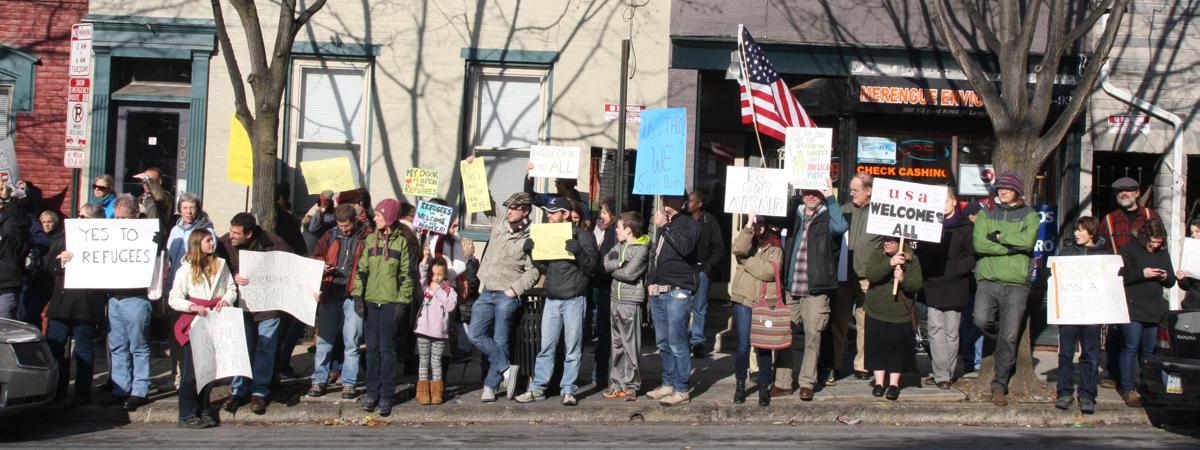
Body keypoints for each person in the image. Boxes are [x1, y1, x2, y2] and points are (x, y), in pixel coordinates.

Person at [467, 155, 540, 403]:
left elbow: (534, 271)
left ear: (525, 211)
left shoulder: (531, 236)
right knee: (475, 334)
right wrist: (474, 170)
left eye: (514, 208)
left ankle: (490, 386)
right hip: (487, 290)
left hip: (507, 293)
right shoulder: (499, 222)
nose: (509, 211)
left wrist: (515, 289)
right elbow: (484, 200)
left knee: (501, 339)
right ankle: (507, 369)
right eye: (508, 207)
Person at [514, 197, 599, 406]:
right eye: (548, 212)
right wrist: (533, 254)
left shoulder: (584, 236)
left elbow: (592, 269)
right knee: (546, 347)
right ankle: (538, 388)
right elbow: (546, 269)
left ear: (566, 214)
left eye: (553, 212)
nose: (548, 215)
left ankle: (568, 390)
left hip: (574, 299)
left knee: (572, 349)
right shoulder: (549, 234)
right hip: (552, 298)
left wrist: (579, 251)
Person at [772, 182, 847, 401]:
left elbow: (841, 227)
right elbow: (772, 217)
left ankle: (807, 383)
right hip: (792, 286)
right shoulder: (794, 213)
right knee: (785, 335)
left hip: (817, 288)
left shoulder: (828, 216)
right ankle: (782, 383)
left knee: (813, 337)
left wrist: (830, 197)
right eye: (807, 192)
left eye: (816, 192)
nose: (811, 196)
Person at [972, 170, 1040, 406]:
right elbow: (980, 244)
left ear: (1017, 191)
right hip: (988, 279)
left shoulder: (1030, 215)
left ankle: (999, 384)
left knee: (1010, 336)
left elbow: (1028, 242)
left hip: (1016, 283)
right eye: (1000, 187)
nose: (1002, 191)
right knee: (981, 320)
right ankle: (1001, 343)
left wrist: (999, 238)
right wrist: (1010, 247)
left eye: (1008, 188)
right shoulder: (986, 212)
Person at [219, 213, 292, 415]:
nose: (231, 235)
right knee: (241, 347)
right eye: (231, 231)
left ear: (249, 234)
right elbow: (216, 266)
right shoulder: (224, 243)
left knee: (265, 348)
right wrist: (233, 275)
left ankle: (259, 392)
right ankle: (238, 390)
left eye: (236, 233)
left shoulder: (274, 243)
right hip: (241, 305)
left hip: (269, 306)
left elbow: (291, 265)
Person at [350, 198, 415, 416]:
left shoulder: (401, 242)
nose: (374, 218)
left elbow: (406, 275)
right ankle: (372, 392)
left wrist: (402, 302)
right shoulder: (370, 240)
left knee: (387, 350)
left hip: (390, 303)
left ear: (389, 217)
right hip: (371, 301)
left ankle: (386, 395)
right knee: (371, 350)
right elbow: (361, 270)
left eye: (378, 215)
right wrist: (358, 296)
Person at [168, 231, 238, 428]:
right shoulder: (186, 269)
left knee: (208, 370)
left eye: (211, 240)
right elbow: (174, 298)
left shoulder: (221, 265)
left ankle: (204, 409)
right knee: (190, 372)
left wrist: (226, 300)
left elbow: (231, 288)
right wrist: (192, 306)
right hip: (194, 323)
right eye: (207, 241)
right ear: (198, 244)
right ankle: (187, 413)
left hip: (215, 321)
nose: (212, 243)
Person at [1098, 177, 1159, 389]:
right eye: (1119, 191)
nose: (1124, 194)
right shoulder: (1108, 220)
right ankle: (1113, 372)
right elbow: (1103, 252)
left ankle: (1144, 379)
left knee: (1144, 337)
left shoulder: (1151, 216)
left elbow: (1161, 247)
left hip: (1146, 283)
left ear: (1137, 193)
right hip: (1121, 282)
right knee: (1116, 330)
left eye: (1128, 190)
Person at [44, 203, 107, 407]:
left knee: (83, 349)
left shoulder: (105, 242)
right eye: (78, 216)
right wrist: (61, 260)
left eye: (83, 217)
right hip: (63, 302)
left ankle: (82, 392)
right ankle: (57, 389)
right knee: (55, 346)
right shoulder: (66, 237)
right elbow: (50, 265)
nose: (78, 220)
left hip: (86, 304)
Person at [913, 187, 974, 390]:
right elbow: (921, 253)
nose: (942, 206)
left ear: (954, 201)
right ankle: (941, 374)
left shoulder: (965, 227)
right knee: (935, 330)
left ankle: (948, 371)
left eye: (945, 201)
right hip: (934, 284)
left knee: (951, 332)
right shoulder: (930, 226)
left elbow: (971, 256)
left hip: (955, 285)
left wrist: (954, 270)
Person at [309, 204, 370, 399]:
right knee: (324, 340)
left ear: (354, 221)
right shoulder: (330, 235)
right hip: (330, 291)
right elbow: (316, 257)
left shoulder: (366, 236)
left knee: (351, 341)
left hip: (353, 294)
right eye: (340, 225)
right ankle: (319, 379)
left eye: (347, 225)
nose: (344, 229)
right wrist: (322, 267)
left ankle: (349, 382)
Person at [645, 195, 700, 407]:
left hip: (678, 289)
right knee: (663, 341)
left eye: (670, 197)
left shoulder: (690, 224)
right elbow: (656, 254)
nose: (665, 200)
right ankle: (667, 382)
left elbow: (685, 248)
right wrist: (650, 281)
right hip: (659, 289)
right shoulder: (664, 224)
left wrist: (666, 227)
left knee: (677, 341)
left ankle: (681, 388)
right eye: (664, 197)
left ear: (681, 201)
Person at [104, 195, 155, 411]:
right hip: (114, 297)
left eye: (124, 218)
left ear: (136, 214)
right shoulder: (110, 235)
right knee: (117, 346)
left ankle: (139, 390)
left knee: (138, 346)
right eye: (117, 218)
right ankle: (120, 388)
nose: (119, 222)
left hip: (136, 298)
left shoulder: (148, 235)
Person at [1054, 216, 1109, 414]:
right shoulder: (1067, 253)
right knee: (1066, 353)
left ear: (1091, 233)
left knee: (1091, 355)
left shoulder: (1104, 255)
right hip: (1070, 312)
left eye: (1080, 230)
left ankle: (1087, 394)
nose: (1076, 233)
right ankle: (1064, 392)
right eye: (1076, 229)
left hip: (1092, 312)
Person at [1116, 218, 1174, 407]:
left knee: (1149, 351)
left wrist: (1165, 276)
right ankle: (1128, 388)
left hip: (1155, 308)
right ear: (1145, 237)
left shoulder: (1163, 254)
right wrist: (1143, 273)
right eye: (1152, 242)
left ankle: (1147, 386)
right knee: (1131, 347)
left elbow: (1171, 281)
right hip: (1133, 306)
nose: (1155, 246)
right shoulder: (1129, 250)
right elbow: (1121, 275)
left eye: (1158, 242)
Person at [728, 213, 785, 406]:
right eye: (754, 222)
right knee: (743, 345)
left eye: (761, 222)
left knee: (764, 347)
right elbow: (737, 249)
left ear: (766, 224)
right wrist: (747, 227)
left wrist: (746, 261)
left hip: (765, 301)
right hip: (743, 298)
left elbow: (769, 272)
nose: (757, 226)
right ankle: (740, 386)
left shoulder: (775, 246)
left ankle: (763, 388)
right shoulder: (746, 240)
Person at [829, 173, 880, 381]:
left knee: (865, 323)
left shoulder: (880, 213)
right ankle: (834, 364)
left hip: (868, 277)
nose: (851, 193)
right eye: (850, 189)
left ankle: (862, 366)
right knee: (838, 322)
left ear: (868, 191)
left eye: (855, 190)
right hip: (843, 276)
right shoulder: (844, 210)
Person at [864, 235, 923, 400]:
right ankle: (879, 383)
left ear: (900, 243)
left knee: (896, 349)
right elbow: (871, 275)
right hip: (876, 310)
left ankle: (894, 384)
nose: (887, 243)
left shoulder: (912, 260)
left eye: (891, 241)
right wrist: (889, 264)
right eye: (885, 240)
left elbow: (917, 285)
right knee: (877, 347)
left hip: (899, 313)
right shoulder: (877, 255)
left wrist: (903, 279)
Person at [602, 211, 649, 401]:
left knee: (631, 346)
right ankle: (617, 384)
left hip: (630, 302)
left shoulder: (642, 249)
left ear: (629, 230)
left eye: (619, 227)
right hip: (615, 298)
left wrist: (613, 270)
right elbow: (605, 262)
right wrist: (620, 263)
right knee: (617, 345)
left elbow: (629, 274)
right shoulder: (619, 245)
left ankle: (631, 386)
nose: (616, 230)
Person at [415, 256, 458, 405]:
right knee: (423, 361)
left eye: (439, 274)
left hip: (439, 333)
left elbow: (450, 306)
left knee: (436, 362)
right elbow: (420, 278)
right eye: (433, 274)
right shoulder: (426, 287)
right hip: (423, 330)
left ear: (445, 274)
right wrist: (425, 260)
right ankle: (422, 392)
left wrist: (438, 290)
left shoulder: (450, 290)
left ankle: (437, 392)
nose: (436, 277)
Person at [687, 190, 725, 359]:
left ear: (699, 204)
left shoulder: (710, 222)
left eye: (690, 201)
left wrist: (707, 269)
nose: (687, 204)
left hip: (701, 270)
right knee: (682, 306)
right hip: (685, 271)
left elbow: (719, 248)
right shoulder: (684, 220)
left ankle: (697, 342)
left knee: (699, 308)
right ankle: (683, 339)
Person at [590, 202, 618, 385]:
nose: (601, 215)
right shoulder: (601, 230)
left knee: (606, 331)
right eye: (600, 211)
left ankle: (601, 374)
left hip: (608, 286)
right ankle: (599, 373)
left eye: (605, 212)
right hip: (600, 286)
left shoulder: (613, 232)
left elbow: (606, 257)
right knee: (602, 331)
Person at [25, 210, 60, 331]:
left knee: (33, 314)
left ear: (55, 223)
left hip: (49, 282)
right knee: (30, 315)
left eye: (49, 222)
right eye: (43, 222)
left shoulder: (60, 239)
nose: (46, 224)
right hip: (35, 282)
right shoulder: (35, 240)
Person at [0, 184, 31, 319]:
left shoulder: (9, 222)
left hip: (5, 284)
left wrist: (9, 201)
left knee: (3, 326)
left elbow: (21, 224)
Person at [131, 167, 174, 233]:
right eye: (144, 181)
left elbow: (159, 197)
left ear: (159, 182)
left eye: (150, 181)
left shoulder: (166, 197)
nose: (146, 184)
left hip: (158, 235)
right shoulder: (140, 198)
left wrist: (147, 178)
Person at [1176, 219, 1200, 311]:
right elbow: (1187, 286)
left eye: (1197, 231)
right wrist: (1181, 279)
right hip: (1193, 304)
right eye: (1192, 232)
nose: (1193, 235)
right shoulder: (1190, 253)